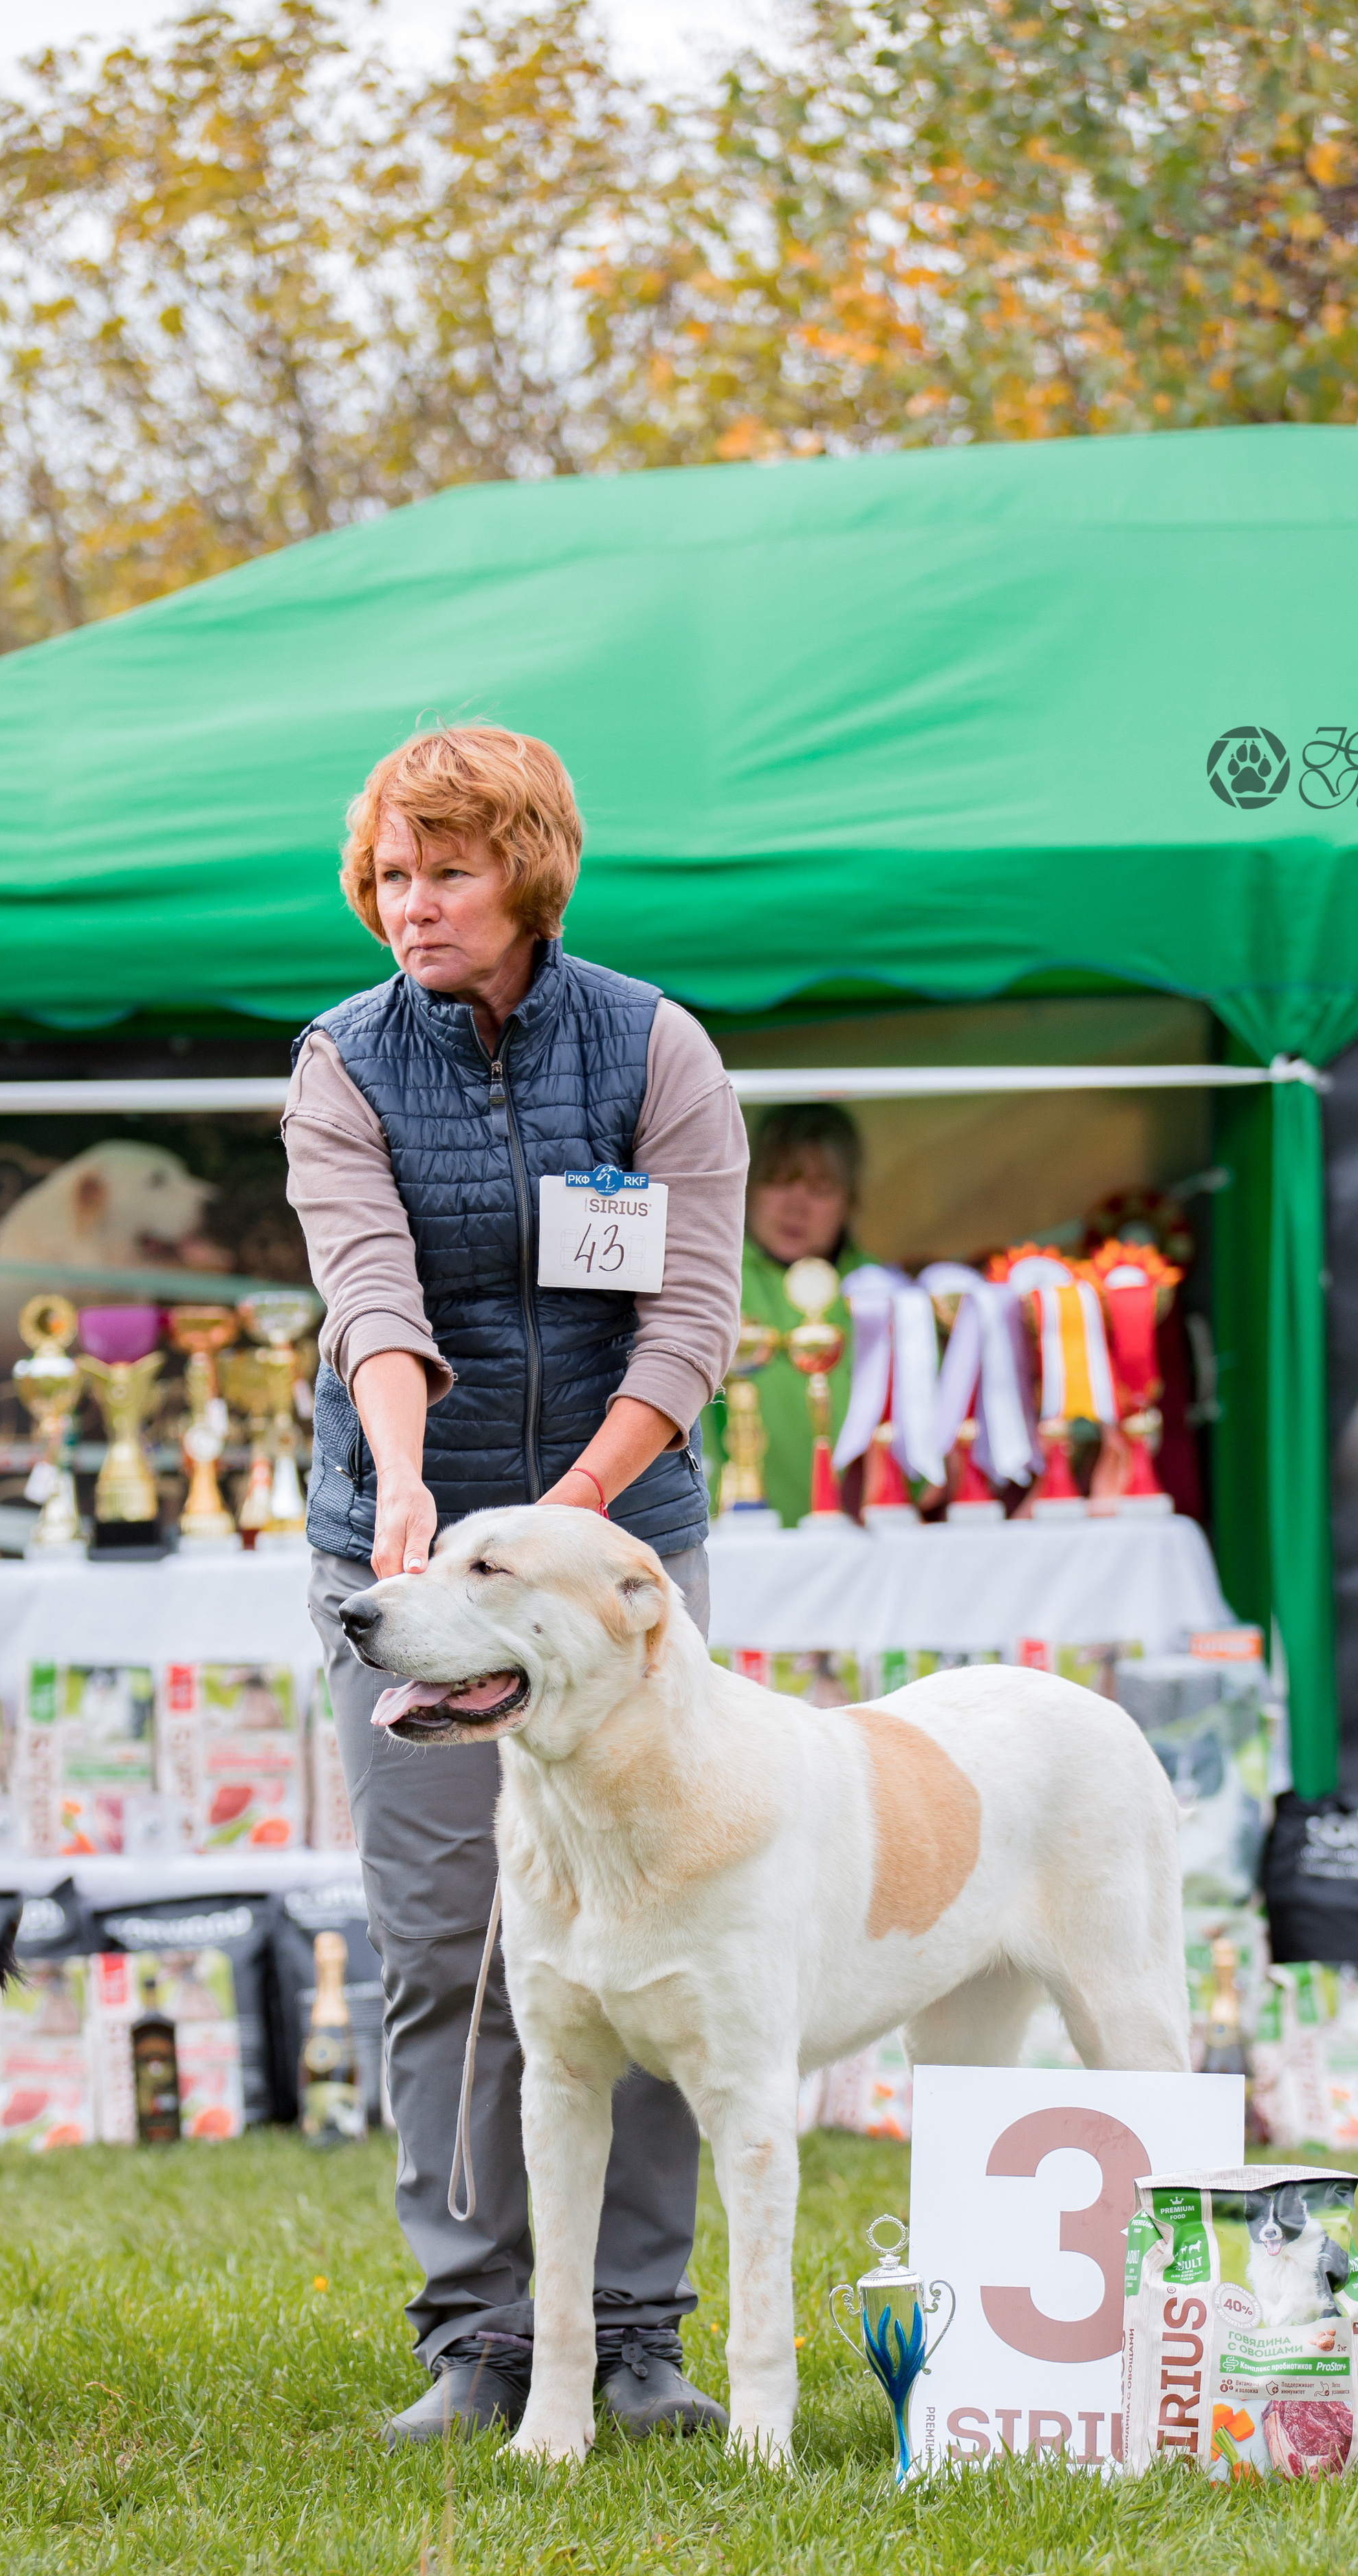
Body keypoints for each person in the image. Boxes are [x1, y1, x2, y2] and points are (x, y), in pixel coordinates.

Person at [284, 722, 747, 2445]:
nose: (412, 905)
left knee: (656, 1933)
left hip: (619, 1548)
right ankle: (480, 2340)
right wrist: (414, 1489)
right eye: (390, 876)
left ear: (529, 871)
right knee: (444, 1941)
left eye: (448, 871)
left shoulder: (653, 1046)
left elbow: (689, 1316)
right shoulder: (338, 1064)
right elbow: (371, 1297)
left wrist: (560, 1530)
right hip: (398, 1552)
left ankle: (632, 2335)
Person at [703, 1103, 874, 1527]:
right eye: (778, 1182)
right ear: (744, 1186)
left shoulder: (882, 1294)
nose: (796, 1205)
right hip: (733, 1538)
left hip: (866, 1541)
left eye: (820, 1188)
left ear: (850, 1202)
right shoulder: (706, 1279)